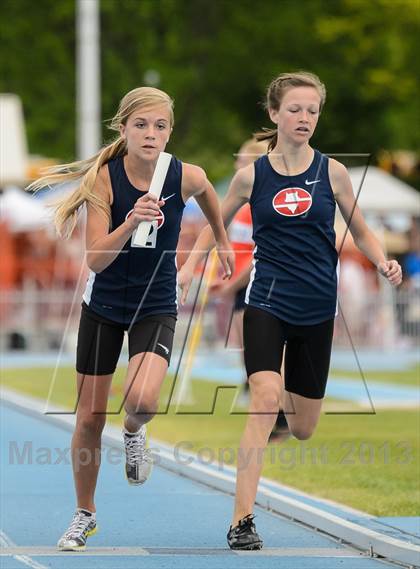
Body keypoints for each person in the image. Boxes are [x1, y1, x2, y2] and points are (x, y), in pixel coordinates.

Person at [178, 71, 402, 550]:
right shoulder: (251, 176)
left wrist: (382, 260)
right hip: (266, 303)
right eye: (295, 109)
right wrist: (189, 270)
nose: (304, 118)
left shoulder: (333, 172)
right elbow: (210, 222)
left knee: (302, 429)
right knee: (263, 396)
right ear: (275, 114)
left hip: (318, 310)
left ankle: (284, 410)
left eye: (313, 110)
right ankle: (242, 522)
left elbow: (360, 230)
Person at [28, 86, 234, 551]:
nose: (151, 133)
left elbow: (206, 194)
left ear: (170, 132)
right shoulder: (105, 178)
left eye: (160, 125)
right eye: (141, 124)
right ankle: (85, 514)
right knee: (88, 419)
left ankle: (135, 432)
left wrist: (221, 239)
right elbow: (96, 259)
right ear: (124, 129)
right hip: (103, 305)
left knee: (141, 400)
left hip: (156, 301)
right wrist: (132, 218)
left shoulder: (184, 175)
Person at [212, 138, 290, 442]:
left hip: (258, 284)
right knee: (250, 352)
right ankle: (269, 409)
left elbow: (260, 253)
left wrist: (233, 284)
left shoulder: (261, 203)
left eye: (241, 160)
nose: (236, 165)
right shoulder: (242, 205)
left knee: (263, 353)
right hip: (242, 284)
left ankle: (277, 413)